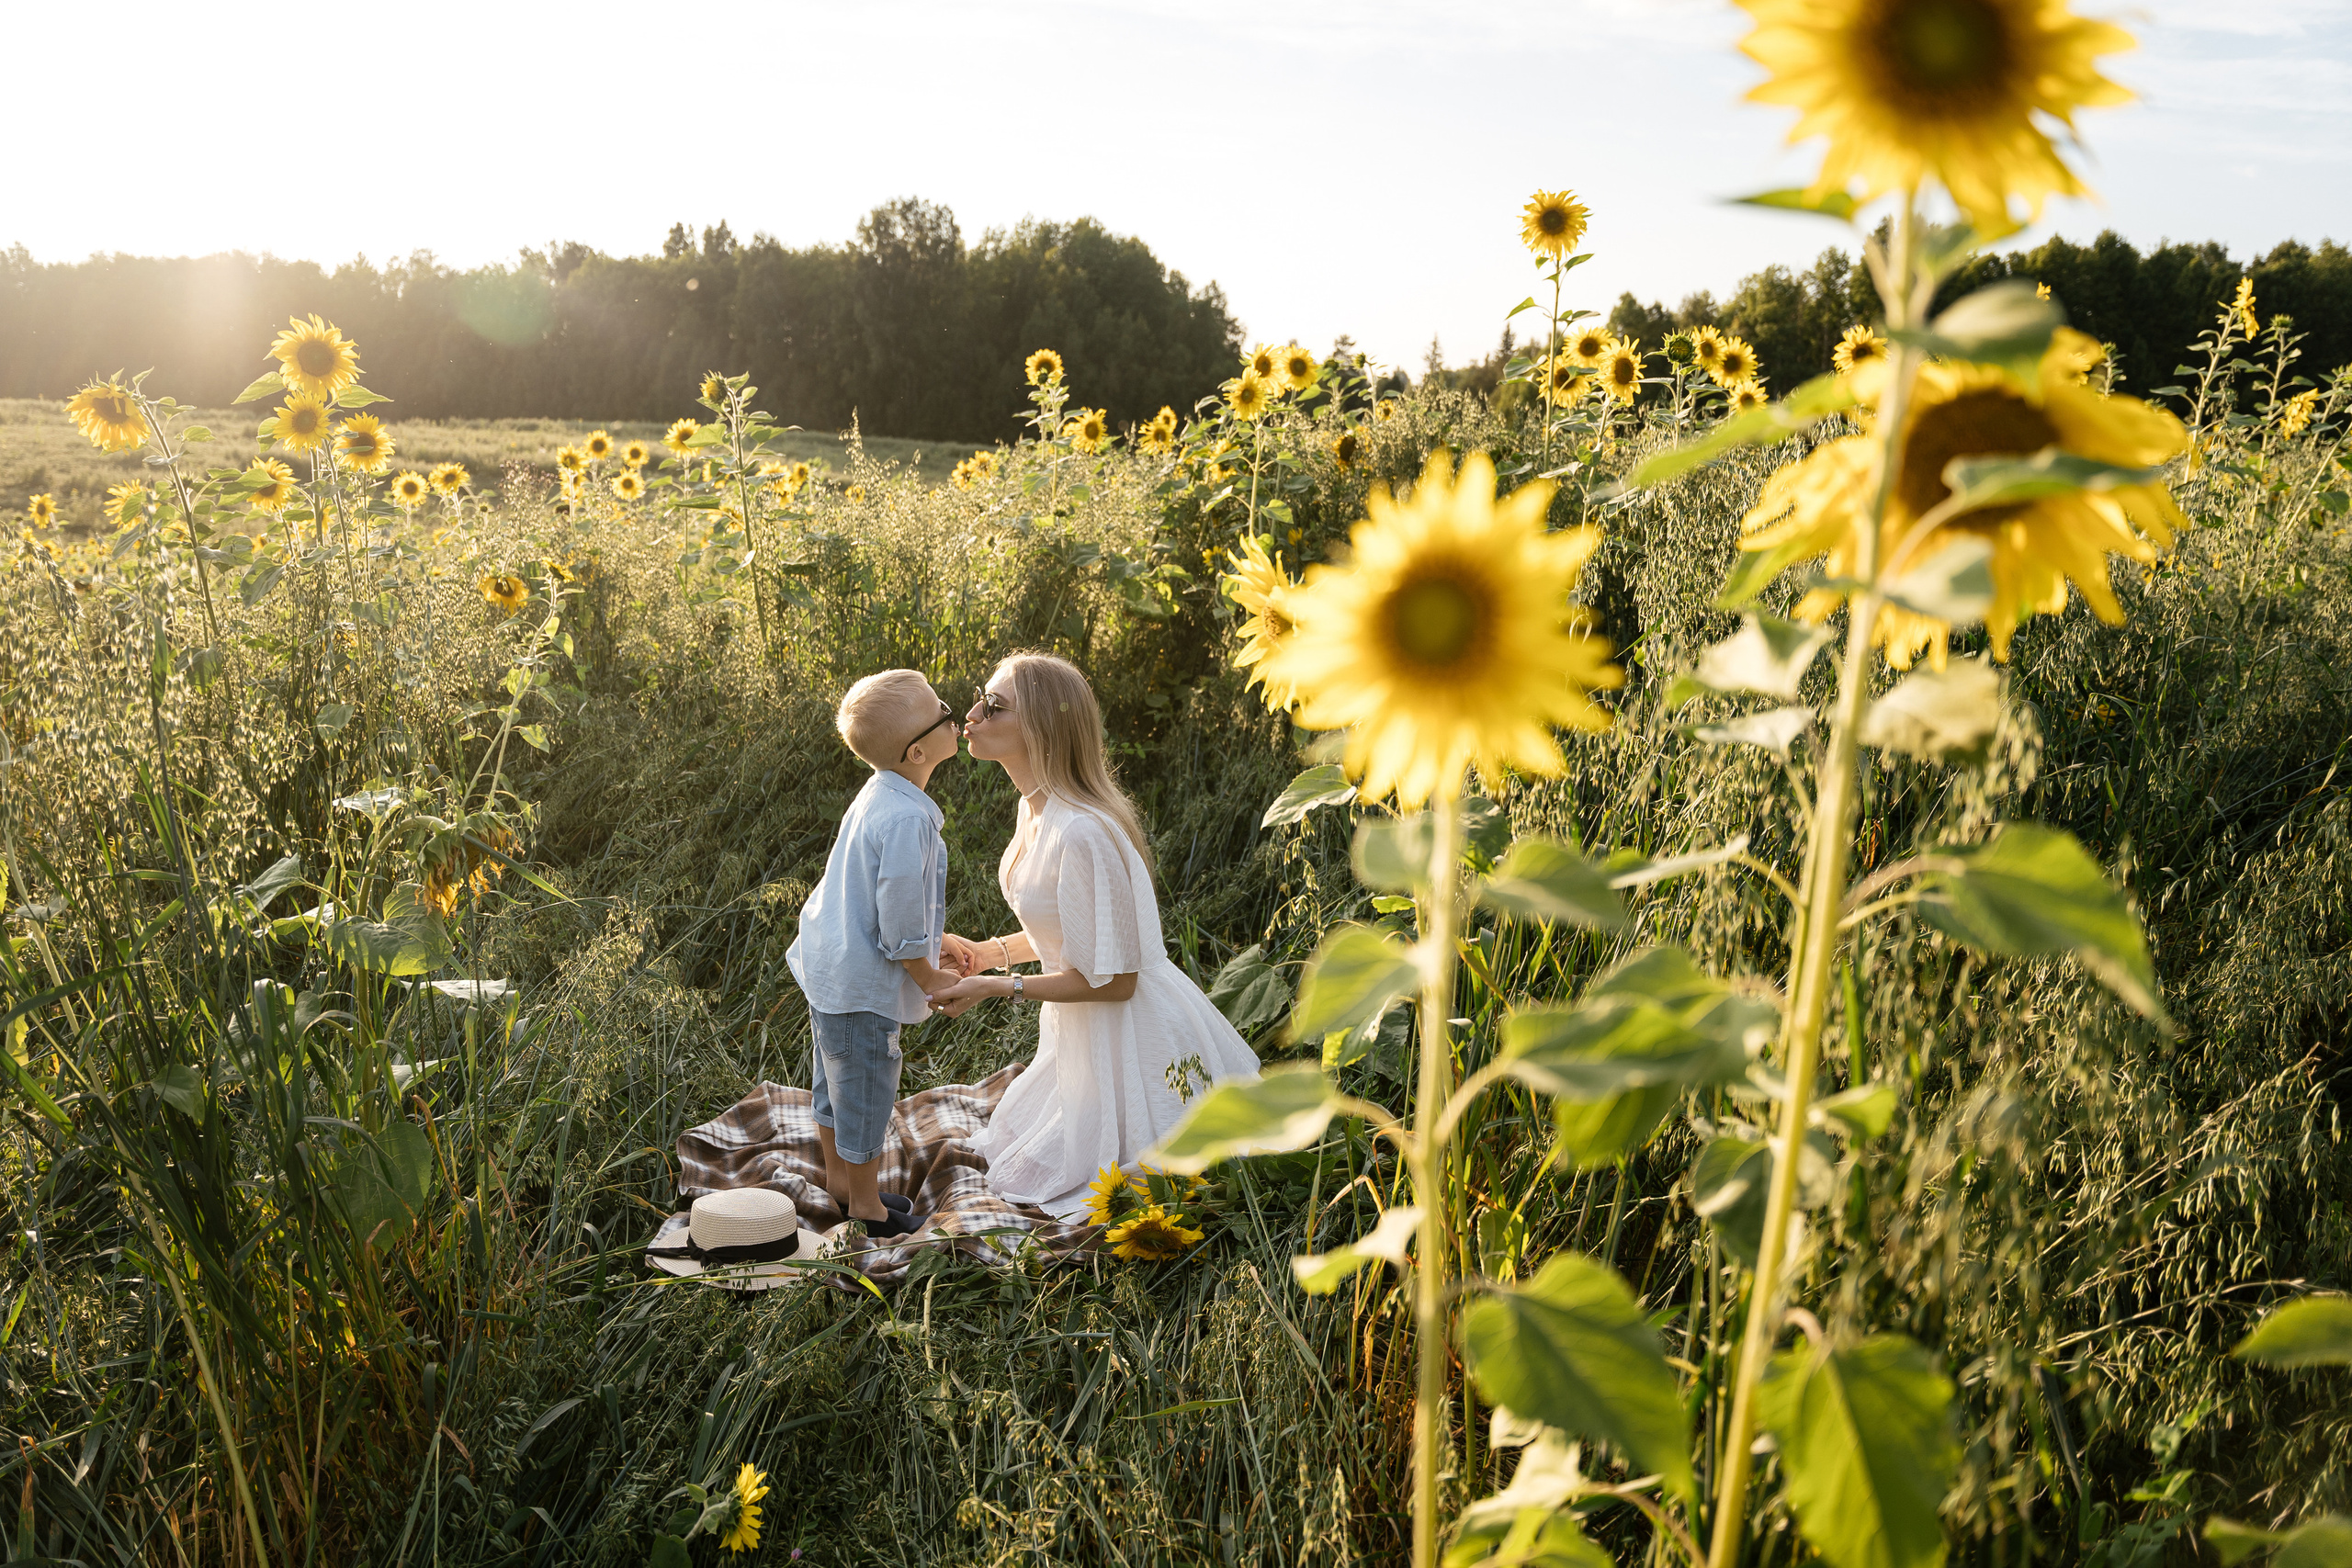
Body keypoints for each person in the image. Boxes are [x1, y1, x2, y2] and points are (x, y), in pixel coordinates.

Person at [927, 652, 1261, 1217]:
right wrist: (988, 954)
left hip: (1130, 1028)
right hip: (1080, 1026)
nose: (974, 712)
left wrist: (997, 988)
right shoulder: (1034, 809)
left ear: (1042, 729)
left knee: (1096, 1175)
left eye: (996, 706)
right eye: (983, 699)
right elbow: (1073, 932)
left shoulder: (1082, 832)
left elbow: (1116, 982)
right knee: (1023, 1140)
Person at [786, 669, 979, 1235]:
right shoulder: (907, 818)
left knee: (834, 1081)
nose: (954, 713)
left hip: (830, 966)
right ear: (919, 750)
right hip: (860, 984)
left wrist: (935, 938)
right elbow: (896, 914)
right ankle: (866, 1210)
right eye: (943, 709)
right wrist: (927, 973)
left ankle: (841, 1184)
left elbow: (871, 890)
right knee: (866, 1086)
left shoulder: (881, 793)